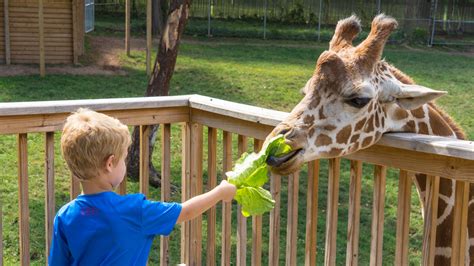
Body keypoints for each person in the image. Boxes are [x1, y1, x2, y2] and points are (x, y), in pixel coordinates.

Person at [49, 108, 236, 265]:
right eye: (123, 159)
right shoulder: (134, 210)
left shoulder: (65, 216)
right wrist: (220, 192)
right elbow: (185, 212)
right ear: (110, 163)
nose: (124, 163)